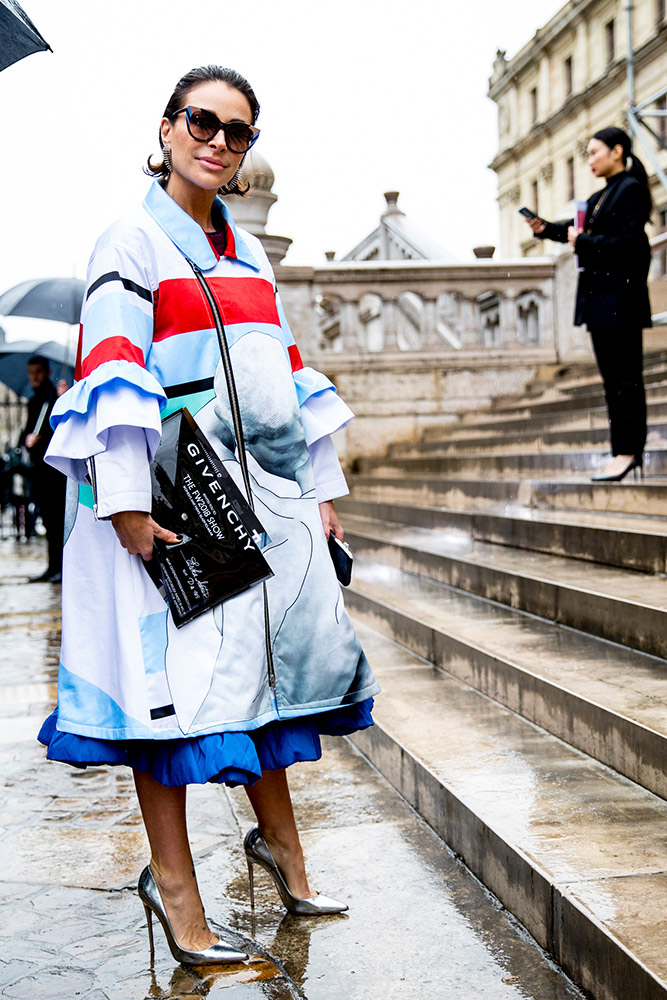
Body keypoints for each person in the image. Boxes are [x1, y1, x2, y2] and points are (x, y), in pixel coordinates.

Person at [38, 65, 379, 966]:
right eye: (203, 121)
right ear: (167, 126)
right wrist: (128, 512)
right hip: (166, 502)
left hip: (259, 501)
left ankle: (286, 860)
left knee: (261, 682)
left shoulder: (248, 254)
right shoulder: (129, 242)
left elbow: (286, 373)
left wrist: (321, 490)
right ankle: (176, 893)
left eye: (238, 132)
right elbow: (110, 372)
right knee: (173, 700)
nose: (218, 142)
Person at [524, 126, 652, 482]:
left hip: (621, 299)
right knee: (613, 382)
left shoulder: (631, 191)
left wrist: (583, 242)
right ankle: (621, 452)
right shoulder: (601, 195)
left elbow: (627, 245)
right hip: (600, 302)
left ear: (617, 151)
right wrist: (544, 228)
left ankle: (629, 452)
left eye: (595, 152)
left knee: (626, 381)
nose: (590, 159)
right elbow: (573, 228)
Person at [18, 355, 67, 581]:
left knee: (58, 520)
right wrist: (27, 438)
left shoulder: (56, 396)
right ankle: (52, 566)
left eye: (38, 372)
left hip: (55, 473)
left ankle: (62, 568)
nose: (33, 377)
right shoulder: (34, 400)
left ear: (47, 372)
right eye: (30, 373)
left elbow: (63, 429)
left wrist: (64, 398)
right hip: (40, 473)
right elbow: (26, 433)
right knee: (48, 520)